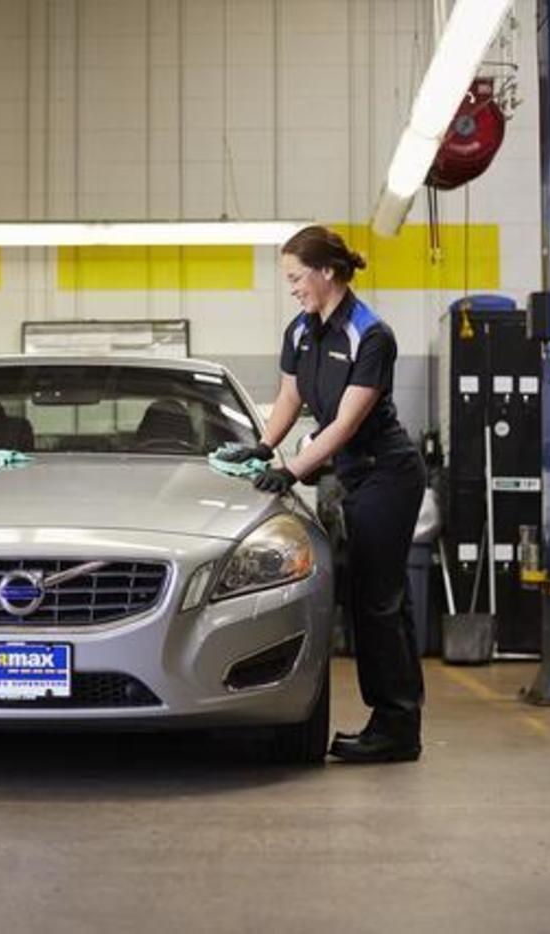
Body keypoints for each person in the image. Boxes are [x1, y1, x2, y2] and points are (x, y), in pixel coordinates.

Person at [217, 225, 427, 764]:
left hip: (386, 475)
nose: (291, 288)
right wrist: (263, 446)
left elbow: (346, 424)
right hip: (348, 476)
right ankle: (396, 720)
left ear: (326, 272)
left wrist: (290, 470)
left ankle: (396, 729)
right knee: (375, 599)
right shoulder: (301, 330)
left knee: (378, 603)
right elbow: (289, 397)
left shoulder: (370, 334)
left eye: (295, 277)